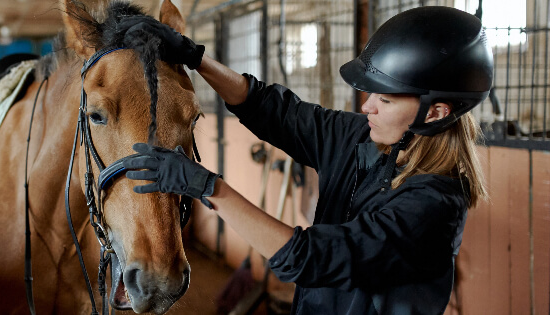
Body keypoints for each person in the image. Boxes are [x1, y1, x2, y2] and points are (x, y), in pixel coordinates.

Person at [120, 6, 492, 315]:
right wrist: (196, 57)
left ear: (435, 112)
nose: (368, 106)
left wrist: (208, 187)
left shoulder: (433, 207)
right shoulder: (363, 137)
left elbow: (307, 257)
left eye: (387, 100)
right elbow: (276, 111)